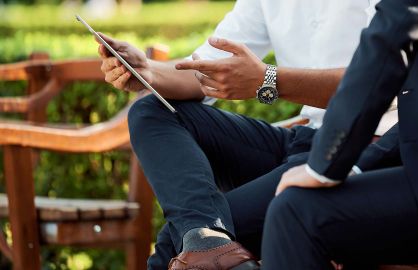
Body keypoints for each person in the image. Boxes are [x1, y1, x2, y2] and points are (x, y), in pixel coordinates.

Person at [97, 0, 395, 269]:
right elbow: (204, 70)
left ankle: (206, 241)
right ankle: (208, 239)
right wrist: (147, 71)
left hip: (366, 147)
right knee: (151, 111)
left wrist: (268, 80)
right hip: (303, 139)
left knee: (172, 247)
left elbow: (380, 80)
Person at [261, 0, 418, 269]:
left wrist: (324, 164)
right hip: (380, 151)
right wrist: (355, 165)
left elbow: (391, 37)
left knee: (293, 212)